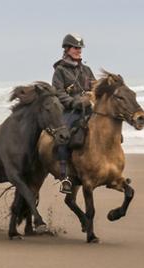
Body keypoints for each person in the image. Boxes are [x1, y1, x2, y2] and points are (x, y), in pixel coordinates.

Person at [51, 33, 96, 194]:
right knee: (64, 136)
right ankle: (65, 177)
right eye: (76, 48)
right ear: (67, 49)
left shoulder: (87, 70)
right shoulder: (60, 71)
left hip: (89, 109)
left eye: (80, 48)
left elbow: (94, 88)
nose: (79, 50)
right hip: (70, 111)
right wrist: (75, 102)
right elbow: (59, 93)